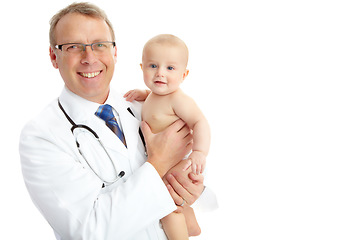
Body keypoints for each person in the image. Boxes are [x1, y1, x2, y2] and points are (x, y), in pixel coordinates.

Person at [19, 3, 217, 240]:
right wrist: (159, 163)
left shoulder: (142, 103)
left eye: (100, 45)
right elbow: (89, 230)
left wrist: (193, 190)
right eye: (74, 47)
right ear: (54, 55)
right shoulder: (41, 136)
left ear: (115, 52)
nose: (89, 57)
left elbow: (196, 159)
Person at [124, 34, 210, 239]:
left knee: (167, 207)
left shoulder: (179, 99)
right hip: (164, 161)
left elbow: (200, 122)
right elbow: (155, 101)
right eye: (153, 66)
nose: (160, 73)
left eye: (170, 68)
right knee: (173, 198)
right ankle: (191, 224)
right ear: (141, 67)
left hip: (175, 164)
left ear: (184, 74)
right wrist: (143, 94)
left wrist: (199, 152)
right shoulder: (156, 94)